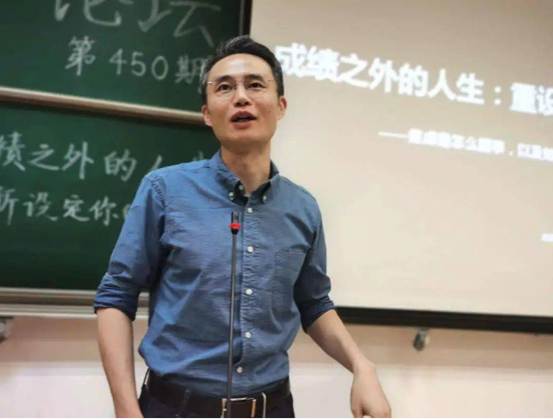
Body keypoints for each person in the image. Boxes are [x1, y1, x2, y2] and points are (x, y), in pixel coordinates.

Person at [94, 35, 391, 418]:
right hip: (174, 408)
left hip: (272, 408)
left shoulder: (303, 208)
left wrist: (361, 366)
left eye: (255, 85)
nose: (241, 98)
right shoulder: (164, 190)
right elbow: (116, 297)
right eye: (224, 88)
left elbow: (314, 303)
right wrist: (126, 410)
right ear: (207, 113)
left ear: (281, 106)